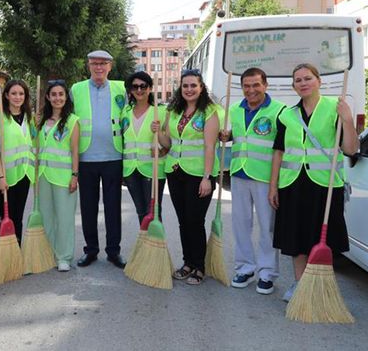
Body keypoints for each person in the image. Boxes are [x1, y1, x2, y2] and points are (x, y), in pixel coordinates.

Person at [268, 63, 358, 302]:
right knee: (295, 238)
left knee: (322, 239)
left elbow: (350, 149)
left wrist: (348, 120)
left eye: (308, 78)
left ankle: (319, 287)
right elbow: (278, 152)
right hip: (293, 185)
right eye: (298, 80)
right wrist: (273, 186)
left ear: (319, 81)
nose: (303, 83)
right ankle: (300, 285)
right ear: (293, 86)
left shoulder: (335, 108)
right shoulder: (287, 114)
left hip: (325, 186)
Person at [219, 68, 285, 295]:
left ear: (265, 85)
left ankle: (267, 272)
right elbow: (241, 137)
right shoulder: (236, 110)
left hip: (265, 177)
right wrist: (227, 136)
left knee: (267, 227)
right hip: (238, 174)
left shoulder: (279, 111)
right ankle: (245, 268)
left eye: (256, 85)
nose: (251, 90)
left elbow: (280, 148)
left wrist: (276, 184)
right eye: (246, 86)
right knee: (240, 224)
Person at [157, 69, 223, 285]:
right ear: (180, 88)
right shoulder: (174, 110)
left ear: (201, 87)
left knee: (195, 221)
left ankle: (199, 266)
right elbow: (168, 144)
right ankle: (187, 263)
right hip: (175, 172)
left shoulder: (209, 111)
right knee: (183, 221)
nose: (189, 89)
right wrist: (158, 132)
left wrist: (207, 177)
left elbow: (209, 146)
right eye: (185, 85)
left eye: (193, 85)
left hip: (199, 175)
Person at [72, 50, 127, 269]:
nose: (99, 67)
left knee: (113, 207)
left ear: (110, 67)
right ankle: (91, 250)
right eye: (94, 63)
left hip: (114, 156)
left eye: (103, 64)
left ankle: (114, 251)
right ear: (88, 66)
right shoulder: (76, 89)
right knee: (88, 207)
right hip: (86, 158)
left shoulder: (121, 88)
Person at [38, 80, 80, 272]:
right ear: (48, 97)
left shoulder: (72, 121)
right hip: (43, 176)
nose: (57, 98)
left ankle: (64, 256)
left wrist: (74, 175)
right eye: (53, 94)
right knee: (46, 217)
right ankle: (48, 254)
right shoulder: (40, 121)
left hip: (63, 177)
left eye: (61, 94)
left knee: (64, 218)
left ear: (66, 97)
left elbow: (75, 151)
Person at [0, 79, 35, 245]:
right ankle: (5, 253)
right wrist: (0, 177)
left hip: (24, 174)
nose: (18, 97)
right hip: (7, 177)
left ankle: (16, 254)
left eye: (21, 94)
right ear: (6, 95)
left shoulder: (29, 118)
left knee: (17, 217)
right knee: (6, 218)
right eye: (14, 93)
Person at [122, 71, 165, 224]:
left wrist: (159, 133)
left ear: (150, 88)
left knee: (153, 213)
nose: (139, 90)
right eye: (135, 87)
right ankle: (145, 245)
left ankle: (157, 246)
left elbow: (169, 143)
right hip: (130, 170)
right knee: (141, 212)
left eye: (143, 86)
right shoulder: (124, 113)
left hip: (152, 170)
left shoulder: (160, 111)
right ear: (130, 90)